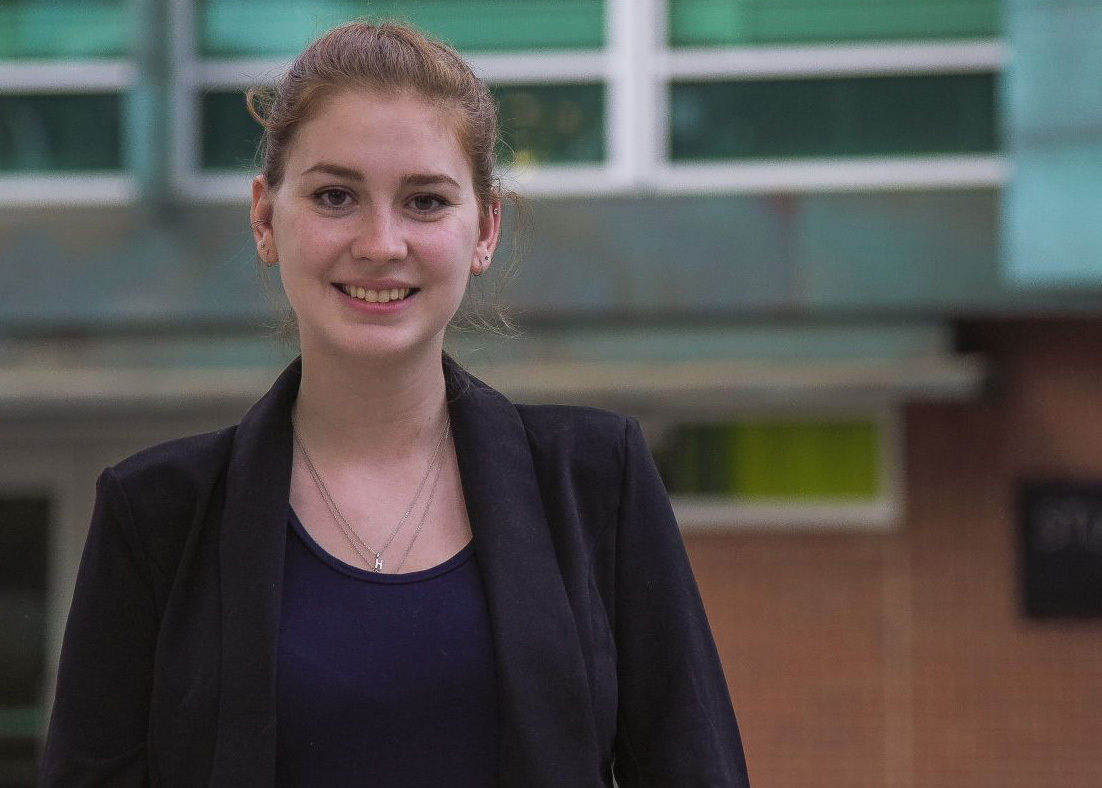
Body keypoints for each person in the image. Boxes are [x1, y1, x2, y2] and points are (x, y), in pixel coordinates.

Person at [40, 20, 750, 788]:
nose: (381, 243)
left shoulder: (595, 483)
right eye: (336, 196)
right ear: (263, 216)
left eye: (424, 201)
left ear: (486, 228)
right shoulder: (154, 515)